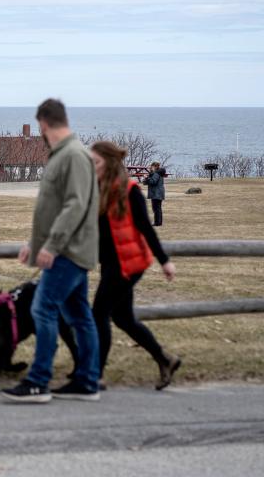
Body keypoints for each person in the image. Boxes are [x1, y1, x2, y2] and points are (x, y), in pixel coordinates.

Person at [0, 99, 101, 403]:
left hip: (67, 252)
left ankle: (38, 381)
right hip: (65, 249)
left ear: (44, 123)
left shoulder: (72, 155)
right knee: (80, 316)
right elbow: (54, 208)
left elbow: (75, 205)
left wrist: (52, 246)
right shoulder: (64, 155)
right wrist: (34, 244)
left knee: (42, 309)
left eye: (39, 126)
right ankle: (86, 381)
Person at [90, 142, 181, 390]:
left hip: (127, 264)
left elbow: (145, 228)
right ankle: (165, 359)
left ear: (108, 163)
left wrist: (165, 262)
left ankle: (96, 375)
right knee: (123, 319)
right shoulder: (101, 189)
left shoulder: (129, 190)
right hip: (111, 263)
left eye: (96, 162)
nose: (92, 166)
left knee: (99, 313)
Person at [144, 161, 166, 226]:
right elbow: (149, 181)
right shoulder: (157, 173)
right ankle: (158, 222)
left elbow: (153, 182)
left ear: (155, 167)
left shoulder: (156, 174)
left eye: (152, 166)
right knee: (157, 208)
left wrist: (146, 178)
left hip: (156, 193)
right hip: (158, 192)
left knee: (156, 208)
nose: (151, 167)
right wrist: (147, 179)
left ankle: (157, 222)